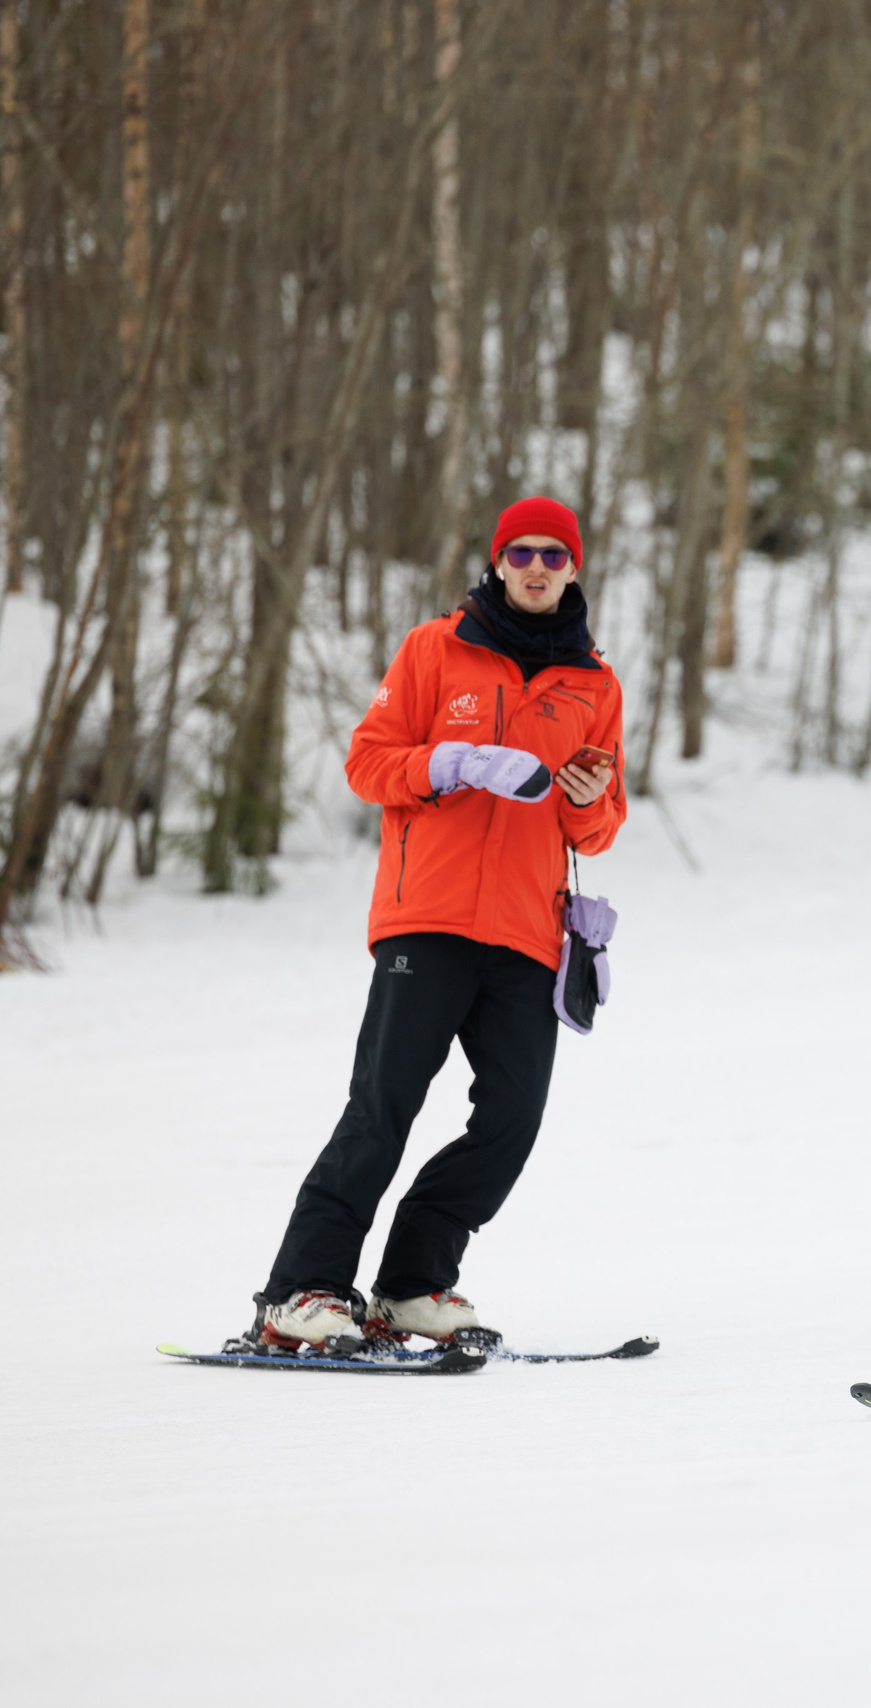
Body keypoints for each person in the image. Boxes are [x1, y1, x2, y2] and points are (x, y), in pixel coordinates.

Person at [254, 496, 628, 1353]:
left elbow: (602, 828)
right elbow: (367, 762)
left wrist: (586, 799)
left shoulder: (594, 684)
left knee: (510, 1123)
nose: (538, 567)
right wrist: (451, 762)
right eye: (522, 553)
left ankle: (412, 1285)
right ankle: (300, 1291)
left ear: (574, 569)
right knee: (383, 1106)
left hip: (529, 936)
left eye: (555, 556)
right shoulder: (436, 649)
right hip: (428, 920)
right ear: (498, 562)